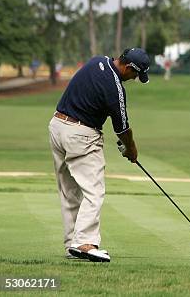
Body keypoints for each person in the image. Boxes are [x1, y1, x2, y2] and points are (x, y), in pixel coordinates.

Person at [48, 48, 150, 263]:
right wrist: (131, 150)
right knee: (94, 191)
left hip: (57, 126)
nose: (133, 79)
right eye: (135, 75)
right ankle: (85, 242)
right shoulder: (116, 89)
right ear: (129, 67)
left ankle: (72, 244)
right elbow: (122, 129)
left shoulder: (96, 61)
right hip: (81, 135)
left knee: (69, 191)